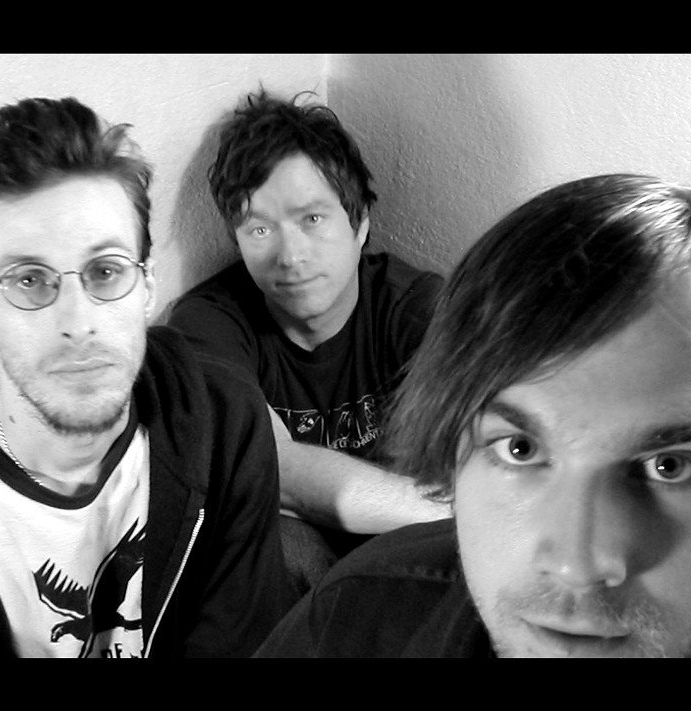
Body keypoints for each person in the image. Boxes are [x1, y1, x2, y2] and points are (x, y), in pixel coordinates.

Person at [0, 96, 286, 658]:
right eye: (28, 280)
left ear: (147, 286)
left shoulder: (224, 423)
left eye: (105, 271)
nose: (78, 323)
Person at [255, 173, 691, 658]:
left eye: (671, 465)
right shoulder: (361, 612)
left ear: (359, 226)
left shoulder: (403, 299)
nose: (576, 567)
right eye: (520, 449)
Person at [168, 89, 450, 603]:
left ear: (359, 224)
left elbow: (483, 454)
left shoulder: (416, 310)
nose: (290, 255)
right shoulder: (209, 324)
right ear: (236, 242)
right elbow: (273, 468)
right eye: (259, 228)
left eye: (312, 219)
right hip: (294, 569)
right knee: (283, 545)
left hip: (405, 553)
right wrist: (457, 509)